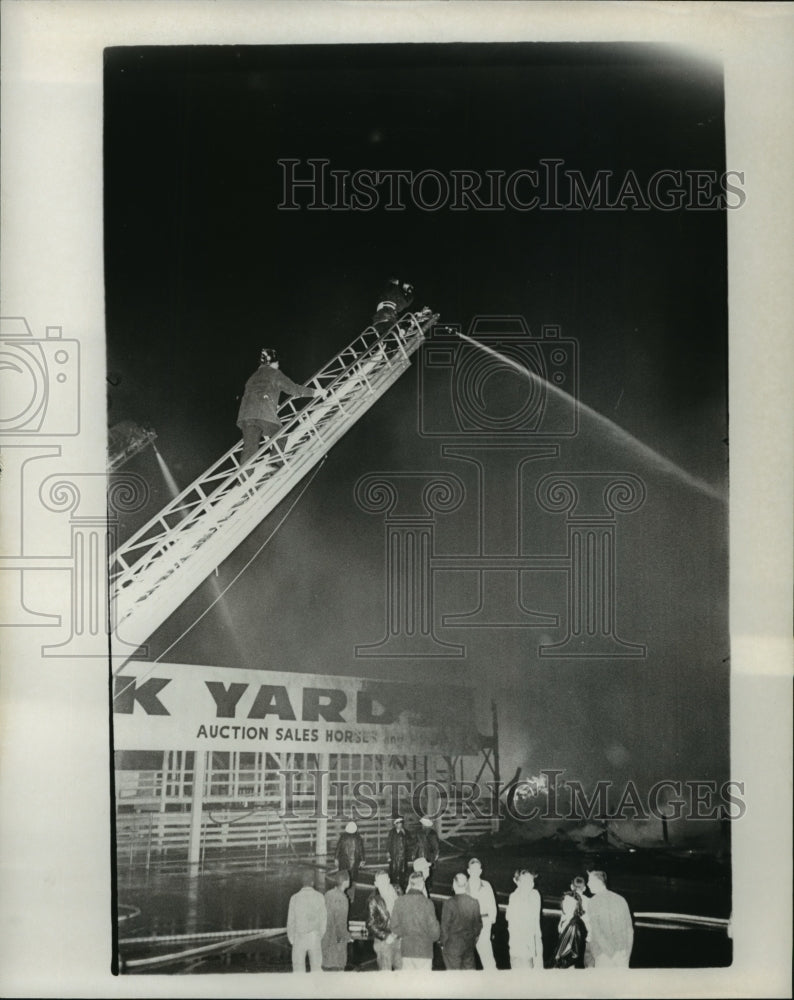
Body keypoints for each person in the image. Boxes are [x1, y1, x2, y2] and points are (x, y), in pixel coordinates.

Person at [237, 347, 320, 465]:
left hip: (247, 416)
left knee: (250, 449)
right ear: (274, 362)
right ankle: (274, 462)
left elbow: (257, 394)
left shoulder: (252, 377)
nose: (278, 365)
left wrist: (273, 402)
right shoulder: (274, 373)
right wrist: (315, 392)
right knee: (281, 436)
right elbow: (293, 388)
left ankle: (244, 479)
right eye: (278, 363)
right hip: (264, 415)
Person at [390, 871, 440, 971]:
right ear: (422, 884)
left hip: (407, 950)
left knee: (409, 984)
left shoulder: (400, 901)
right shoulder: (428, 903)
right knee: (423, 984)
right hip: (424, 951)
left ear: (410, 884)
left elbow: (394, 927)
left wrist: (405, 932)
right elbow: (435, 933)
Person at [582, 869, 634, 968]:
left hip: (604, 956)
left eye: (590, 881)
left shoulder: (593, 902)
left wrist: (613, 955)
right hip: (623, 956)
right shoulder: (621, 899)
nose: (588, 884)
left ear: (598, 882)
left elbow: (597, 932)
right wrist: (627, 954)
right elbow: (629, 930)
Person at [286, 869, 327, 973]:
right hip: (314, 937)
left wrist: (292, 939)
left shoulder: (294, 898)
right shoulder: (320, 897)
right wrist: (319, 936)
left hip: (299, 937)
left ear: (302, 882)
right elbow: (323, 921)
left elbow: (290, 922)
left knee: (298, 971)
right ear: (313, 882)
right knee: (316, 970)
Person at [440, 873, 482, 970]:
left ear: (454, 884)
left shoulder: (449, 903)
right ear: (467, 885)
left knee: (454, 980)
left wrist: (443, 944)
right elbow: (478, 926)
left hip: (452, 947)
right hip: (469, 946)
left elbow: (444, 927)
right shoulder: (474, 902)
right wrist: (472, 938)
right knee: (468, 978)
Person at [505, 868, 543, 969]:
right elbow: (511, 921)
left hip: (533, 943)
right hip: (519, 947)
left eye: (532, 881)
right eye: (527, 881)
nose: (531, 884)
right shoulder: (513, 898)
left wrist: (538, 951)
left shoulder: (535, 895)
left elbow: (535, 923)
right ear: (518, 882)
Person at [366, 869, 403, 971]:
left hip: (399, 938)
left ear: (389, 879)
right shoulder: (373, 900)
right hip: (383, 942)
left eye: (385, 880)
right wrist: (386, 936)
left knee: (403, 971)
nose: (384, 884)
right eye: (381, 881)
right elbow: (370, 924)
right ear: (376, 884)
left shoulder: (397, 891)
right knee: (385, 974)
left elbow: (403, 911)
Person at [465, 857, 497, 969]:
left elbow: (492, 905)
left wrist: (490, 922)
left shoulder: (486, 885)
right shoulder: (464, 886)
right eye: (472, 869)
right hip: (467, 926)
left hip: (484, 924)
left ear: (480, 871)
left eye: (477, 869)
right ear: (468, 871)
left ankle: (493, 981)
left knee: (487, 957)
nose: (475, 872)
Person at [321, 869, 353, 971]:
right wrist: (348, 937)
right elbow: (341, 925)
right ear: (345, 882)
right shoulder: (343, 899)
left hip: (325, 945)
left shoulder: (327, 894)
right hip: (336, 950)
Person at [553, 890, 587, 969]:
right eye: (565, 901)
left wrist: (558, 967)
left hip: (569, 969)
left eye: (570, 903)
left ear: (576, 906)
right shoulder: (568, 920)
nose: (566, 905)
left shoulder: (574, 924)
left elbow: (573, 954)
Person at [334, 821, 366, 900]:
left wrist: (336, 858)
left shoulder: (343, 837)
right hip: (354, 863)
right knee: (352, 882)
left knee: (343, 880)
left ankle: (341, 897)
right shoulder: (358, 838)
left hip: (343, 862)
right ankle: (351, 899)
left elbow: (338, 848)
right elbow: (360, 850)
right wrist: (362, 860)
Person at [413, 816, 440, 893]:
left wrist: (435, 856)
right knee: (426, 872)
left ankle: (426, 888)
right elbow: (417, 844)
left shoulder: (431, 834)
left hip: (427, 856)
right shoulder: (423, 833)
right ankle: (425, 887)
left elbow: (435, 846)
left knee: (427, 873)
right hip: (424, 855)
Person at [386, 815, 410, 890]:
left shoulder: (406, 832)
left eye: (401, 823)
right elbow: (388, 843)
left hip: (403, 857)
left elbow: (410, 843)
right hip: (393, 857)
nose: (400, 824)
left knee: (402, 874)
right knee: (393, 874)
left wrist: (405, 835)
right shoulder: (391, 833)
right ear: (395, 824)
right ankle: (393, 889)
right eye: (399, 823)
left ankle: (401, 889)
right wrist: (388, 853)